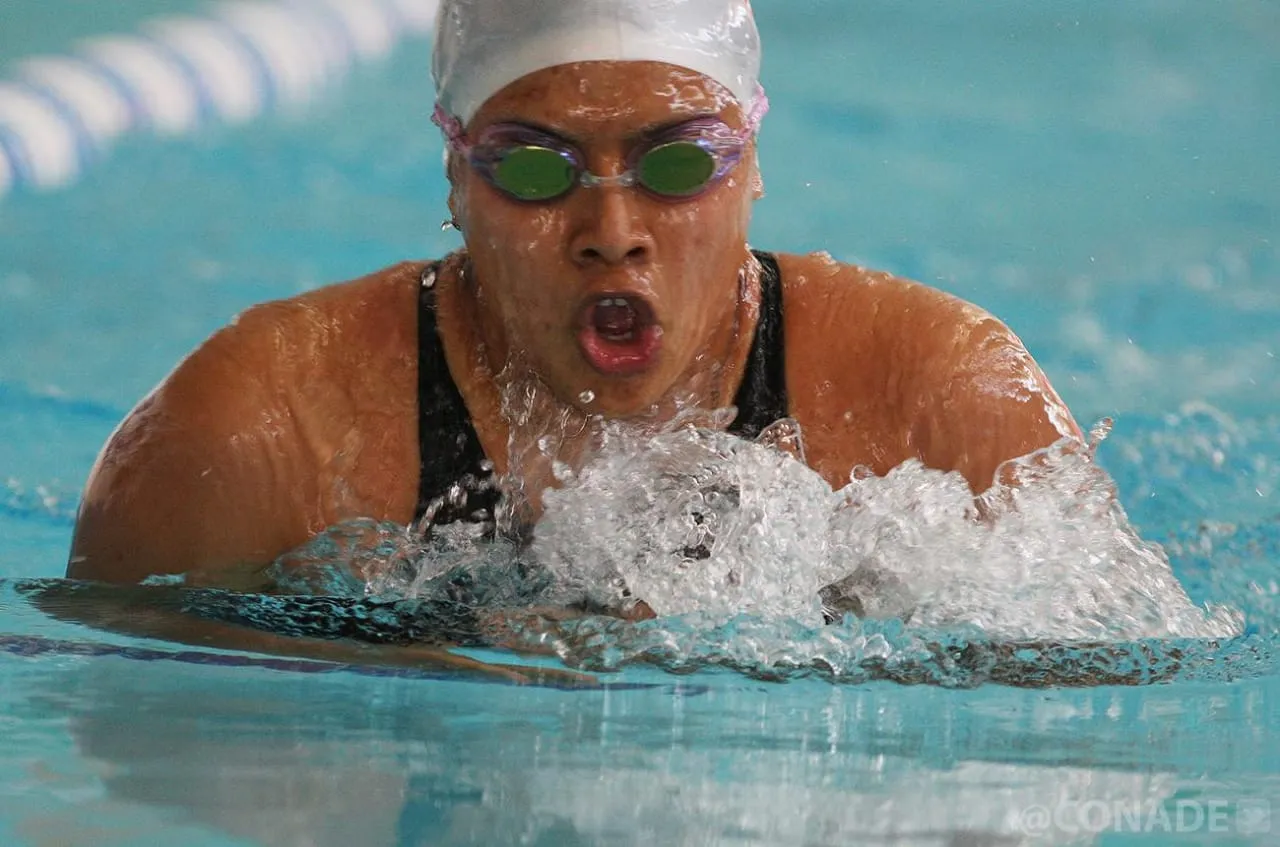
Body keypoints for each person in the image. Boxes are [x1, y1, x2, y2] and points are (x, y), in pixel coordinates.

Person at [67, 0, 1081, 592]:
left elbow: (1097, 703)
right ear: (457, 179)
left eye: (677, 165)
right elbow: (137, 716)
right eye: (535, 169)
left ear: (752, 165)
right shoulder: (259, 431)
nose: (612, 229)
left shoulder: (940, 395)